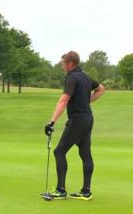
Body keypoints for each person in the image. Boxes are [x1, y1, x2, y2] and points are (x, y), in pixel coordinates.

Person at [44, 51, 105, 200]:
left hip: (77, 119)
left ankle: (60, 190)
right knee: (85, 154)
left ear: (70, 63)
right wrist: (86, 102)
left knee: (59, 152)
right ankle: (86, 192)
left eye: (64, 63)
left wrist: (51, 122)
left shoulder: (72, 78)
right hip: (88, 118)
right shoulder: (85, 76)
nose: (62, 66)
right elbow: (101, 89)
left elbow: (63, 101)